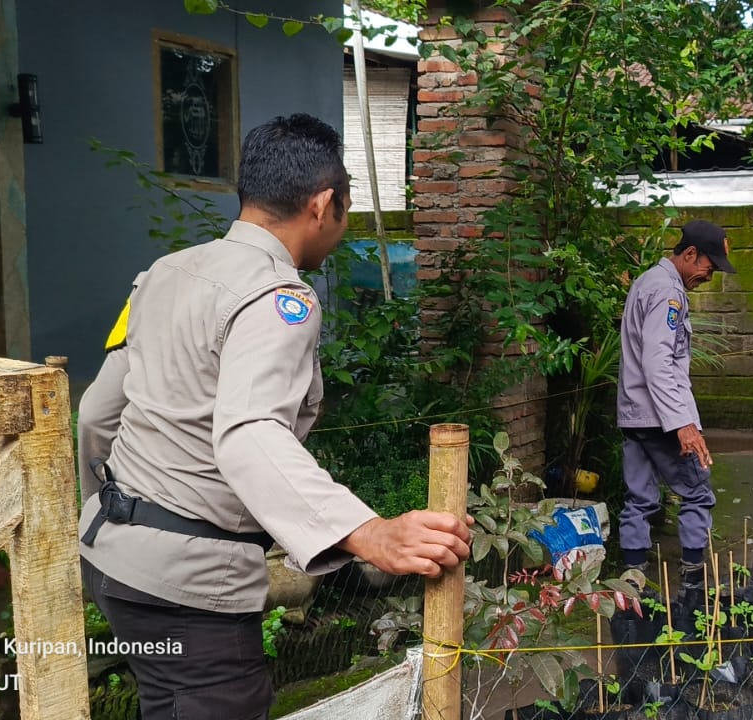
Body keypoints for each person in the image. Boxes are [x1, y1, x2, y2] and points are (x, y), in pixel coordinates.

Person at [75, 113, 471, 720]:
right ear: (322, 205)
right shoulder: (279, 297)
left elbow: (98, 412)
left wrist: (108, 509)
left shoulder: (160, 276)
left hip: (112, 558)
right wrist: (368, 533)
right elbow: (250, 432)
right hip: (191, 586)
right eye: (343, 211)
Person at [616, 219, 735, 589]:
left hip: (635, 413)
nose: (709, 277)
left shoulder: (647, 281)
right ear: (689, 254)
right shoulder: (668, 292)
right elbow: (658, 361)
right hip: (660, 419)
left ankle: (633, 573)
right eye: (708, 267)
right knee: (697, 493)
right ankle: (694, 576)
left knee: (640, 495)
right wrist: (683, 424)